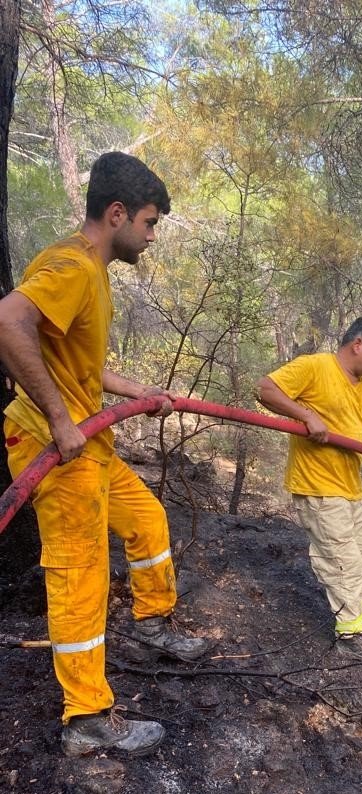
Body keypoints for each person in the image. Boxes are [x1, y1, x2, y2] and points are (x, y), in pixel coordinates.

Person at [0, 151, 209, 758]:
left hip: (89, 440)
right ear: (116, 213)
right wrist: (62, 420)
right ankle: (87, 717)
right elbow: (7, 321)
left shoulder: (89, 270)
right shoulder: (71, 264)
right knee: (80, 572)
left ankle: (151, 626)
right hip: (56, 447)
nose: (150, 236)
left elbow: (70, 359)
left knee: (147, 521)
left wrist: (131, 390)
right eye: (148, 223)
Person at [256, 317, 362, 665]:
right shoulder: (315, 366)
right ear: (358, 345)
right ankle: (351, 636)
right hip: (319, 489)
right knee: (343, 563)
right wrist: (306, 415)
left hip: (351, 489)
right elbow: (265, 389)